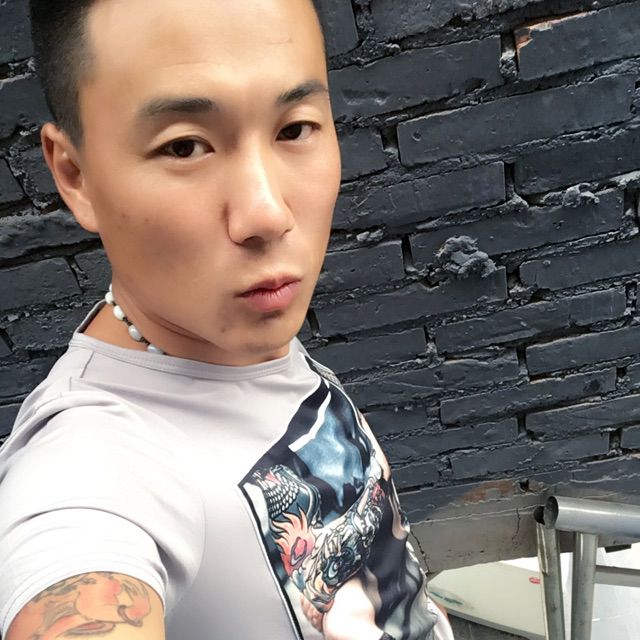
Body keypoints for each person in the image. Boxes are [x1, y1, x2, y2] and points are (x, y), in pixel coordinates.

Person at [0, 1, 455, 639]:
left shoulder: (223, 329)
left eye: (294, 129)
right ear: (74, 176)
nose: (267, 213)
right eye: (185, 146)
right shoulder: (91, 464)